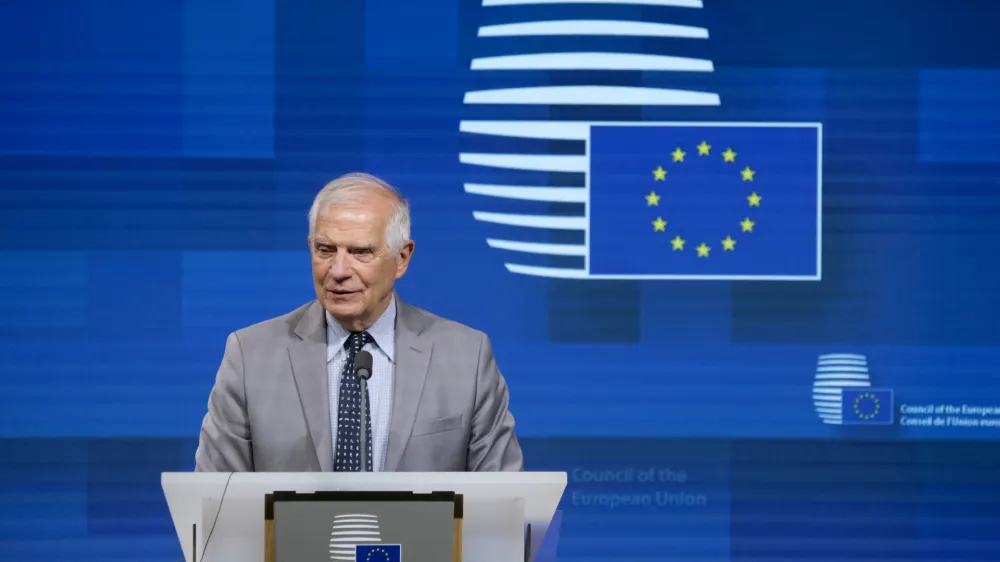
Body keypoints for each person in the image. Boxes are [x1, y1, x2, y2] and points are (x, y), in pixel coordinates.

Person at [194, 172, 523, 472]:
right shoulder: (251, 356)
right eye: (325, 250)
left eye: (360, 252)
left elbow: (506, 503)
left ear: (402, 259)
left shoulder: (465, 357)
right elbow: (214, 503)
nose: (337, 270)